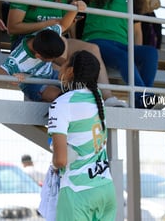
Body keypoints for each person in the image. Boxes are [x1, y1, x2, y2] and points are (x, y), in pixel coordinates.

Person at [7, 0, 127, 107]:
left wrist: (73, 16)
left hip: (56, 41)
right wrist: (46, 24)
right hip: (28, 46)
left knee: (92, 49)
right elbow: (13, 27)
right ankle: (73, 93)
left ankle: (108, 98)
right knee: (62, 49)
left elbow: (64, 25)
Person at [76, 0, 160, 109]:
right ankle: (144, 97)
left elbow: (136, 30)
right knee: (125, 57)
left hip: (121, 44)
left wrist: (136, 50)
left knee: (151, 53)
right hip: (98, 41)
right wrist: (79, 43)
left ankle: (140, 99)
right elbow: (74, 10)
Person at [48, 50, 117, 221]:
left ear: (70, 71)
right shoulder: (97, 98)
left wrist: (54, 164)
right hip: (106, 189)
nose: (60, 67)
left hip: (77, 192)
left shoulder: (62, 103)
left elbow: (60, 160)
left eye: (63, 63)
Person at [0, 28, 65, 102]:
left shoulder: (48, 32)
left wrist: (70, 65)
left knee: (75, 81)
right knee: (54, 94)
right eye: (51, 59)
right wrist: (12, 78)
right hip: (31, 83)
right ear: (38, 56)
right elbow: (0, 71)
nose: (53, 60)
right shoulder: (17, 58)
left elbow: (62, 25)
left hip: (51, 74)